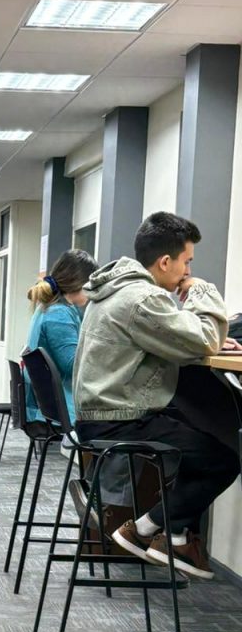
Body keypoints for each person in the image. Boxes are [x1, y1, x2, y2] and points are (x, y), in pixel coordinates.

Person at [73, 210, 239, 580]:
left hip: (98, 415)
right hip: (120, 422)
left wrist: (201, 343)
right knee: (224, 460)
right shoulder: (142, 298)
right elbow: (205, 337)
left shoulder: (116, 290)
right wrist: (202, 292)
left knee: (195, 434)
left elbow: (183, 341)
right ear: (165, 261)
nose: (187, 272)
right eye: (186, 262)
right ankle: (145, 528)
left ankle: (176, 537)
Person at [24, 249, 98, 423]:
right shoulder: (58, 314)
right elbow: (73, 366)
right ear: (78, 282)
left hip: (49, 404)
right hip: (60, 409)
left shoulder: (52, 307)